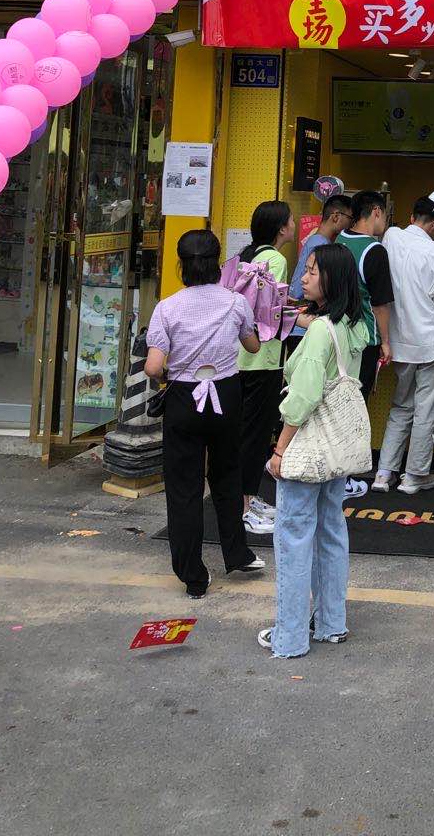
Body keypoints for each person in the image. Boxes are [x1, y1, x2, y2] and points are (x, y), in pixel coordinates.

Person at [258, 243, 371, 657]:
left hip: (307, 445)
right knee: (331, 530)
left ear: (331, 280)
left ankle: (289, 637)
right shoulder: (352, 324)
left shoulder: (321, 332)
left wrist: (279, 450)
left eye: (311, 271)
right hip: (336, 448)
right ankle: (331, 623)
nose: (302, 278)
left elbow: (304, 396)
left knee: (293, 537)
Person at [144, 229, 266, 599]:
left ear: (181, 264)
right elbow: (253, 345)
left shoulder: (167, 308)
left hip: (184, 398)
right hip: (226, 396)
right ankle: (237, 553)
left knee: (184, 486)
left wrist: (171, 371)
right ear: (217, 263)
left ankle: (193, 576)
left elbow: (153, 367)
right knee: (227, 475)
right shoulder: (235, 303)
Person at [373, 197, 434, 495]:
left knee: (401, 404)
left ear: (411, 216)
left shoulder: (391, 237)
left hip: (397, 339)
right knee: (425, 408)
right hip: (430, 340)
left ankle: (384, 472)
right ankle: (415, 475)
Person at [237, 200, 295, 538]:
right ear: (281, 228)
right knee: (255, 434)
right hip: (264, 357)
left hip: (241, 356)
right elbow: (269, 311)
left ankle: (248, 497)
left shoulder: (247, 254)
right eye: (290, 220)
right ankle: (244, 507)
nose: (294, 224)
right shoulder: (276, 260)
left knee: (245, 431)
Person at [337, 190, 395, 403]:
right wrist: (385, 341)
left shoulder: (339, 240)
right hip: (365, 338)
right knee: (357, 402)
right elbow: (380, 305)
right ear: (377, 211)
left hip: (337, 332)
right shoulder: (374, 250)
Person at [288, 194, 352, 307]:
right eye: (351, 218)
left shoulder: (314, 239)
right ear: (336, 216)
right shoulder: (322, 246)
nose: (352, 224)